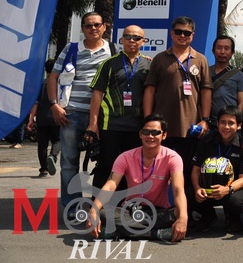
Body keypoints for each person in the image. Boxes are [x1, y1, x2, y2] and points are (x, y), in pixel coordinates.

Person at [143, 16, 213, 207]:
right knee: (157, 170)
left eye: (187, 33)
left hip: (190, 128)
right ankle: (155, 209)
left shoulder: (201, 59)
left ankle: (185, 212)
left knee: (187, 171)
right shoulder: (160, 59)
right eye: (179, 32)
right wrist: (148, 119)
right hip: (161, 128)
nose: (182, 35)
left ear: (193, 35)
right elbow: (150, 89)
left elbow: (206, 91)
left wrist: (205, 119)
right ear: (172, 33)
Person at [47, 11, 113, 213]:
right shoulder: (71, 49)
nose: (93, 28)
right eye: (88, 25)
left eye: (97, 25)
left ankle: (100, 205)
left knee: (105, 161)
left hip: (102, 115)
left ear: (104, 27)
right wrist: (54, 105)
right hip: (71, 113)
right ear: (83, 29)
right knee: (69, 162)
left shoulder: (112, 50)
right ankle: (72, 207)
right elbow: (53, 77)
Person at [88, 114, 188, 244]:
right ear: (140, 134)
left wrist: (183, 218)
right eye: (146, 132)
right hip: (130, 211)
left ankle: (119, 232)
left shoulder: (173, 158)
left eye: (155, 133)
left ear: (164, 135)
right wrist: (93, 210)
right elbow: (111, 184)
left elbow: (178, 189)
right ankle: (156, 234)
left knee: (178, 213)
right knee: (103, 213)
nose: (150, 136)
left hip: (158, 212)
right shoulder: (125, 157)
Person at [86, 25, 152, 190]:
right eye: (128, 36)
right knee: (107, 165)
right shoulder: (109, 63)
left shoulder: (149, 65)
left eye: (136, 38)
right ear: (122, 40)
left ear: (143, 41)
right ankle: (99, 202)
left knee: (132, 167)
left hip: (137, 126)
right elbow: (97, 94)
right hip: (111, 125)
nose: (132, 40)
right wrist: (93, 123)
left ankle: (125, 203)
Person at [191, 106, 243, 234]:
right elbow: (196, 169)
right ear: (217, 123)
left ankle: (233, 217)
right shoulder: (206, 140)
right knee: (188, 193)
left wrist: (227, 189)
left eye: (231, 123)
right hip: (207, 186)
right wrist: (197, 188)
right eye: (223, 122)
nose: (226, 127)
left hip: (231, 188)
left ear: (239, 125)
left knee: (236, 201)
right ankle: (208, 215)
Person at [27, 58, 60, 177]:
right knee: (58, 140)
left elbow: (36, 103)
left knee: (42, 144)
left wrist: (31, 118)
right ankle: (53, 155)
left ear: (46, 70)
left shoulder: (40, 84)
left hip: (42, 118)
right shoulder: (60, 84)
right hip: (57, 118)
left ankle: (44, 169)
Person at [208, 36, 243, 129]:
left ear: (232, 52)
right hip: (209, 124)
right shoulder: (205, 72)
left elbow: (242, 103)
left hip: (230, 126)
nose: (222, 52)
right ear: (213, 51)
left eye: (226, 48)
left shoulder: (239, 75)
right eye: (219, 48)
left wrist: (234, 121)